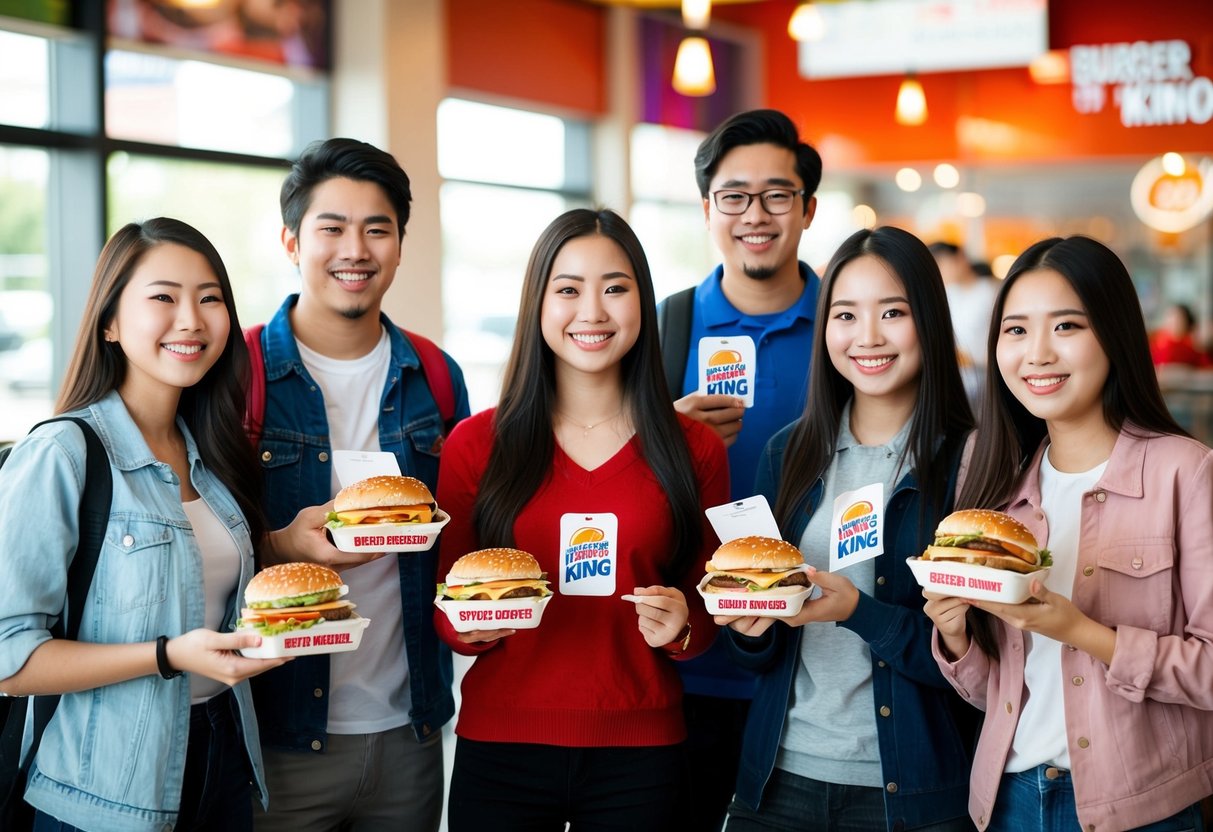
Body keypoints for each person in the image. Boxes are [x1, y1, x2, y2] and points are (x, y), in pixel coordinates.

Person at [434, 208, 729, 830]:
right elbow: (444, 605)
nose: (592, 311)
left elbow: (708, 612)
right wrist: (471, 625)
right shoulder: (474, 444)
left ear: (642, 305)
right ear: (538, 305)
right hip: (502, 746)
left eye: (615, 289)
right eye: (568, 289)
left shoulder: (694, 447)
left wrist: (681, 625)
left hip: (642, 752)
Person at [0, 218, 294, 831]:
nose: (191, 319)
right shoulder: (64, 452)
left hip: (225, 755)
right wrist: (167, 655)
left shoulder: (210, 452)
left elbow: (191, 571)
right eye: (163, 297)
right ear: (110, 322)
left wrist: (290, 544)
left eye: (210, 298)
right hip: (103, 789)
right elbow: (10, 660)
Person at [924, 236, 1213, 832]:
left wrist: (1084, 633)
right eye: (1016, 330)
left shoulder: (1186, 471)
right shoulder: (993, 485)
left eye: (1066, 327)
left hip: (1143, 807)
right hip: (1006, 802)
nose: (1037, 354)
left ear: (1114, 334)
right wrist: (954, 637)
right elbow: (994, 694)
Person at [718, 226, 978, 832]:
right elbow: (757, 655)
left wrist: (859, 609)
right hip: (777, 783)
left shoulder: (971, 463)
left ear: (929, 323)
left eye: (893, 312)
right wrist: (751, 629)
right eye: (845, 315)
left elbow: (981, 664)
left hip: (912, 795)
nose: (868, 337)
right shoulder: (788, 454)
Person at [248, 138, 471, 832]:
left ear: (400, 245)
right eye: (332, 228)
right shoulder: (239, 374)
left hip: (411, 730)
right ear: (291, 240)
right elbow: (195, 543)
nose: (356, 248)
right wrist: (282, 545)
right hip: (279, 731)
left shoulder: (434, 376)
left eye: (377, 228)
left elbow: (462, 533)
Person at [656, 108, 824, 830]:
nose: (755, 215)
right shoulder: (661, 330)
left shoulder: (850, 330)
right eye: (734, 196)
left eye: (776, 195)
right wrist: (663, 436)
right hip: (687, 661)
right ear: (706, 209)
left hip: (817, 663)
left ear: (807, 208)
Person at [929, 241, 999, 413]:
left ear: (960, 258)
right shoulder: (948, 294)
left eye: (943, 263)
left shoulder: (990, 291)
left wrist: (972, 358)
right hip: (957, 378)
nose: (942, 270)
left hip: (987, 378)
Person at [1150, 302, 1210, 368]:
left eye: (1177, 318)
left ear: (1187, 321)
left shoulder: (1194, 347)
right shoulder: (1158, 343)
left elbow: (1205, 368)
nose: (1172, 322)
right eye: (1169, 317)